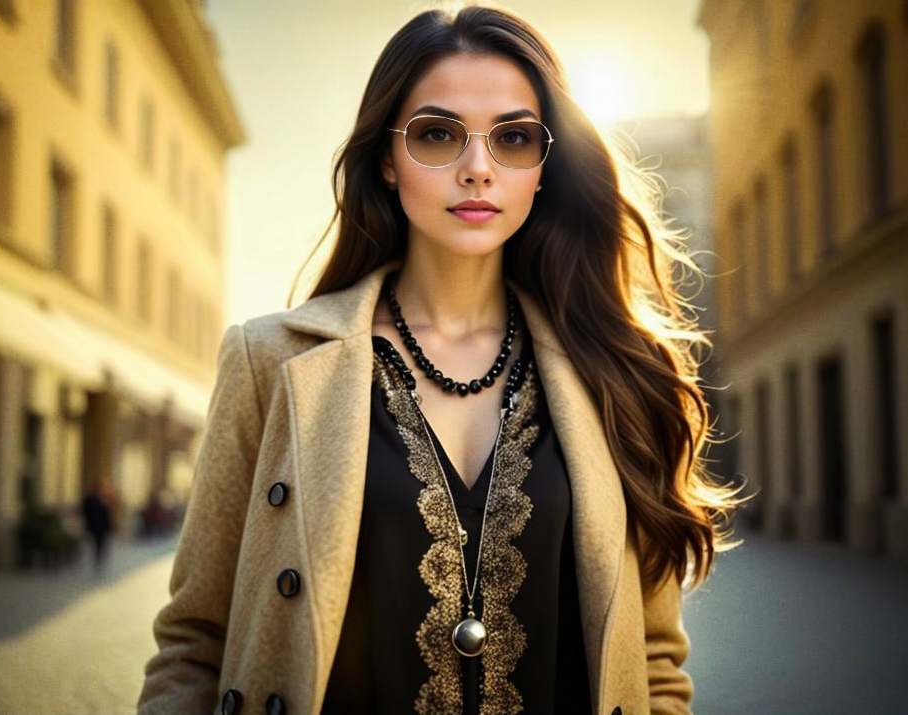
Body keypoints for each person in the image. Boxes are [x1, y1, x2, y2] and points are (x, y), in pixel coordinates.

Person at [137, 5, 749, 715]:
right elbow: (194, 641)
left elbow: (654, 664)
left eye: (513, 138)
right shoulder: (269, 363)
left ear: (545, 167)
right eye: (437, 134)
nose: (477, 168)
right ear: (387, 161)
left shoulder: (612, 371)